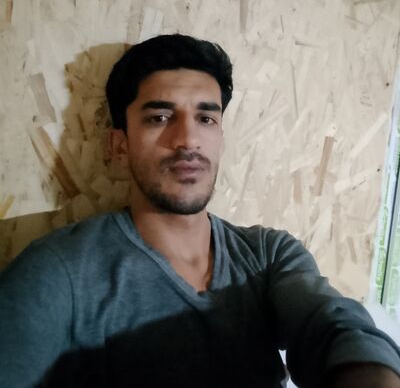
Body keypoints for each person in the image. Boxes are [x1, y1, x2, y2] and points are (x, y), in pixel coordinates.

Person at [0, 34, 399, 388]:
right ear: (119, 146)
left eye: (206, 118)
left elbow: (333, 326)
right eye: (160, 117)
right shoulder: (58, 274)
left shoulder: (268, 256)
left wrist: (369, 372)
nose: (188, 139)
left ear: (220, 138)